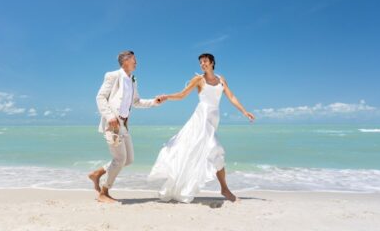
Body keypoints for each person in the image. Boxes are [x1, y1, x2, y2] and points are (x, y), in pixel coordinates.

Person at [149, 53, 255, 203]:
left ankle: (222, 188)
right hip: (201, 118)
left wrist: (244, 112)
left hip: (213, 117)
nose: (202, 64)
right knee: (215, 149)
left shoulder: (221, 79)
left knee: (204, 152)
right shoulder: (199, 79)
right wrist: (166, 97)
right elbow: (182, 95)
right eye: (200, 62)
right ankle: (225, 189)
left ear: (212, 63)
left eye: (205, 61)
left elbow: (231, 97)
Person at [88, 50, 163, 203]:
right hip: (113, 124)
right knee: (120, 158)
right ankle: (103, 192)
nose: (136, 62)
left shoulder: (133, 80)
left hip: (124, 124)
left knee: (128, 159)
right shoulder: (113, 76)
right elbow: (100, 97)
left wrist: (154, 102)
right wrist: (109, 116)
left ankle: (97, 173)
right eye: (134, 59)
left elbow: (136, 102)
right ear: (125, 61)